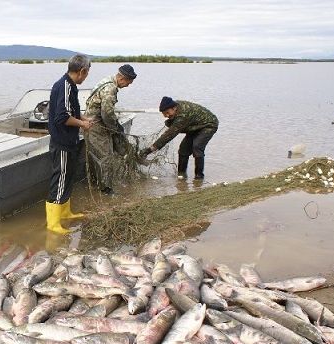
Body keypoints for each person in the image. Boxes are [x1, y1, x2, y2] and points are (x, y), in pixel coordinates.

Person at [45, 54, 93, 234]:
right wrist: (83, 125)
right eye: (87, 73)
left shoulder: (71, 86)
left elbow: (72, 110)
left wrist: (84, 118)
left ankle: (65, 213)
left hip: (70, 141)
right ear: (82, 71)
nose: (86, 76)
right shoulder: (64, 86)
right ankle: (53, 224)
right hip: (62, 142)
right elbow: (62, 117)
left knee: (68, 177)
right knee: (59, 180)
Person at [84, 64, 137, 194]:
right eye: (128, 82)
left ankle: (95, 184)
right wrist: (115, 129)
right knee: (106, 157)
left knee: (95, 156)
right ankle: (106, 190)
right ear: (122, 78)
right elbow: (107, 113)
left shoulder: (106, 80)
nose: (128, 85)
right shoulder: (110, 88)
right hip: (96, 126)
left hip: (89, 123)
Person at [139, 96, 218, 179]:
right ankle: (181, 176)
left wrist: (149, 150)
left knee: (197, 147)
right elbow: (173, 126)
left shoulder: (182, 116)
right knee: (183, 150)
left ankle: (199, 177)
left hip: (209, 125)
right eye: (164, 114)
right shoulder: (174, 106)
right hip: (194, 126)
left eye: (167, 112)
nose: (166, 115)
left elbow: (169, 135)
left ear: (174, 108)